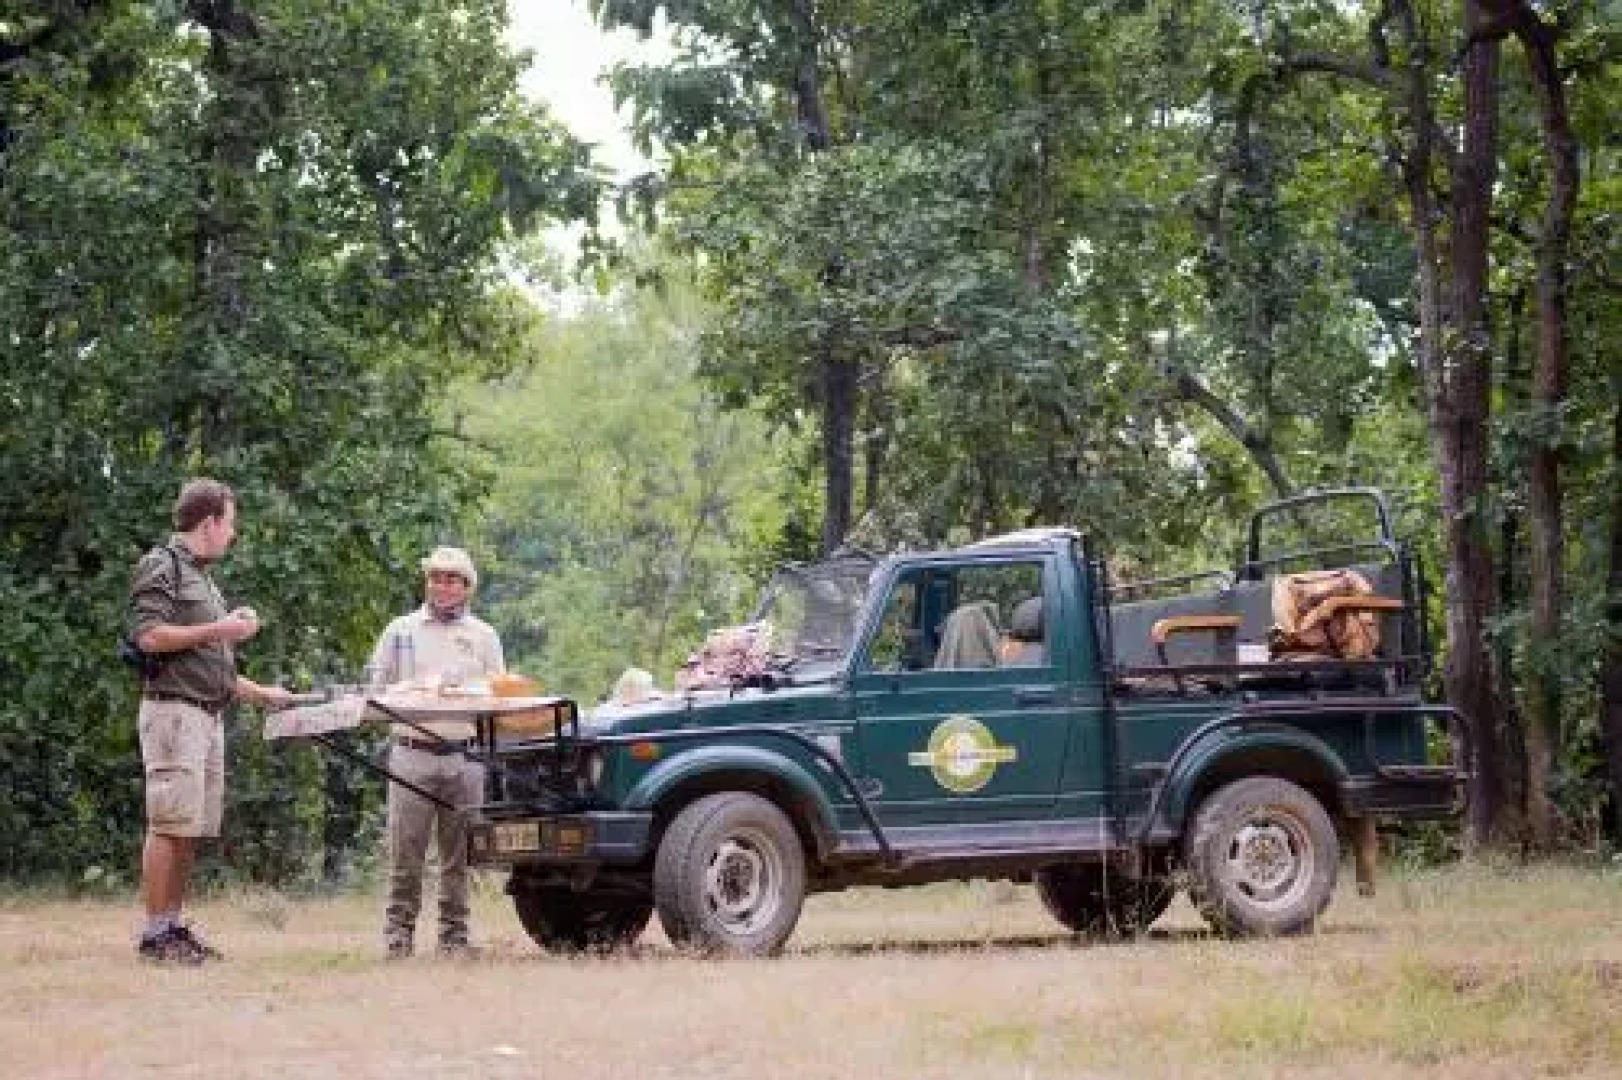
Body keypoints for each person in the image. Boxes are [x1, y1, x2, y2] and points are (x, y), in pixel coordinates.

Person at [128, 478, 293, 965]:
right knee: (168, 824)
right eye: (231, 523)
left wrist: (264, 695)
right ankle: (155, 935)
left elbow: (211, 663)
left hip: (205, 714)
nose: (233, 534)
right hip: (174, 713)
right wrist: (222, 627)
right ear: (210, 522)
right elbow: (149, 637)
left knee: (189, 827)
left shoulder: (203, 578)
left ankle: (173, 929)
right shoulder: (163, 565)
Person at [368, 546, 505, 957]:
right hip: (412, 749)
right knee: (405, 849)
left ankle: (455, 937)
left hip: (465, 753)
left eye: (451, 579)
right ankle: (398, 934)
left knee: (459, 853)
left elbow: (499, 691)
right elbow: (375, 686)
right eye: (435, 578)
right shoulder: (401, 630)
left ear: (467, 587)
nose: (442, 586)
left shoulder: (484, 635)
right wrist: (410, 692)